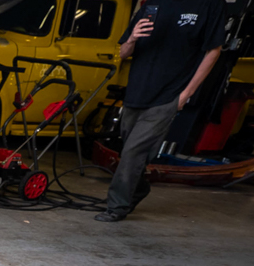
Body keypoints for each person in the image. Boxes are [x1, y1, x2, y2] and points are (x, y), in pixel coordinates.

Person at [95, 0, 226, 222]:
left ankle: (116, 206)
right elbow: (124, 53)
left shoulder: (209, 6)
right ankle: (138, 189)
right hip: (136, 93)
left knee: (133, 152)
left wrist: (186, 94)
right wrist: (132, 38)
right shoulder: (151, 4)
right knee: (131, 149)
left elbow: (213, 51)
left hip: (169, 94)